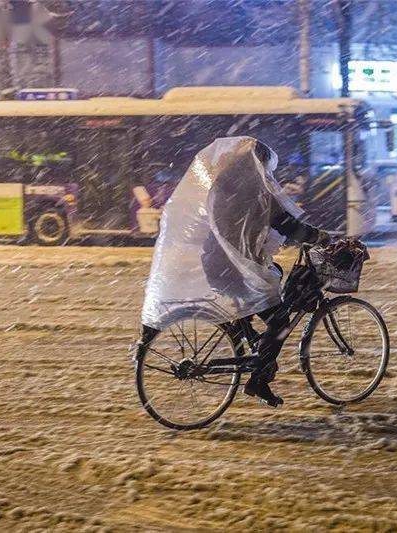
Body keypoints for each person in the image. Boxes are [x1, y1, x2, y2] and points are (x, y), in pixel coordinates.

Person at [140, 137, 330, 407]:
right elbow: (285, 222)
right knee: (281, 321)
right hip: (234, 267)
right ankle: (258, 380)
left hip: (217, 264)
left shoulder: (223, 186)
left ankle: (249, 337)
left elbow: (252, 225)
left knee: (270, 273)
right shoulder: (257, 191)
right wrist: (317, 236)